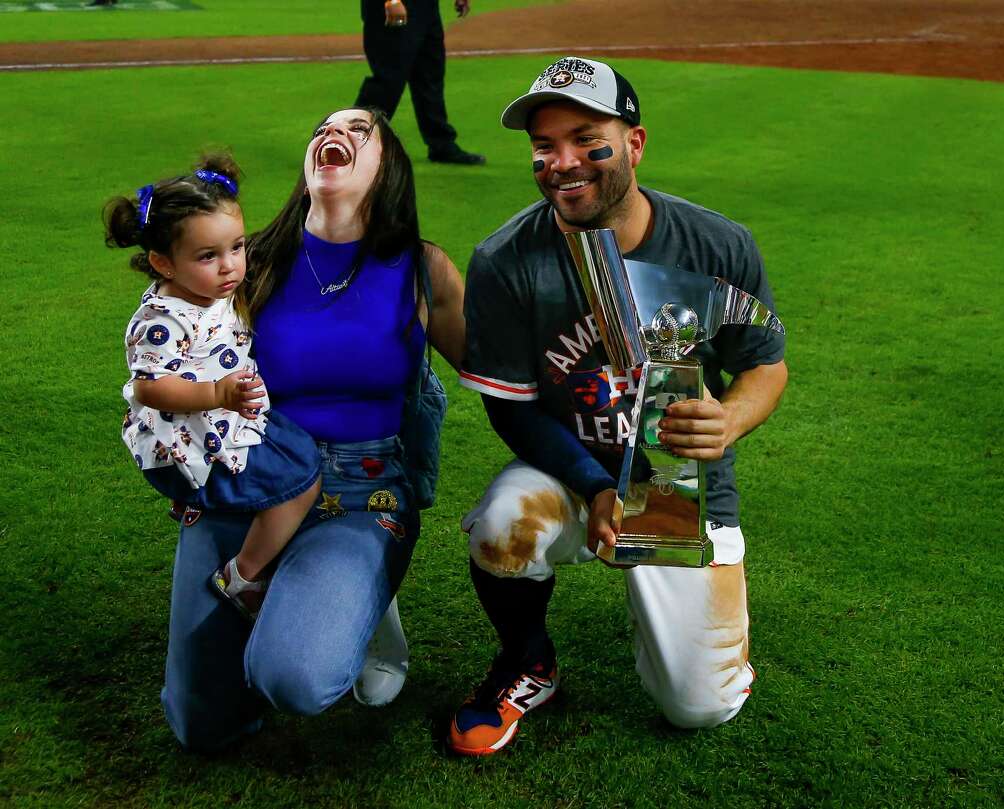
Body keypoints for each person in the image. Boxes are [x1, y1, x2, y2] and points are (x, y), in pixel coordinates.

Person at [448, 56, 789, 756]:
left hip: (674, 487)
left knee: (699, 706)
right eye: (544, 146)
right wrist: (599, 486)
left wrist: (729, 417)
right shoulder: (506, 260)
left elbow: (765, 367)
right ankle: (527, 660)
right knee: (502, 524)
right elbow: (513, 411)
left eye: (584, 138)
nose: (562, 162)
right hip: (571, 474)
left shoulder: (716, 245)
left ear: (634, 144)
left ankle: (689, 642)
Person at [156, 108, 466, 750]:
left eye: (360, 131)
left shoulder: (421, 268)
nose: (336, 135)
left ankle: (345, 591)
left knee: (292, 676)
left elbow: (498, 371)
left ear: (388, 168)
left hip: (365, 485)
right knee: (202, 728)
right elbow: (170, 355)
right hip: (257, 473)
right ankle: (305, 586)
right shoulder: (252, 262)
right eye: (325, 128)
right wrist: (192, 468)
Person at [106, 153, 322, 623]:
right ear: (163, 263)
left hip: (220, 421)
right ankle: (242, 577)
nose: (230, 267)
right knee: (302, 481)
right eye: (208, 256)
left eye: (237, 247)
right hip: (194, 434)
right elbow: (150, 389)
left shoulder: (210, 290)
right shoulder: (164, 320)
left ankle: (198, 499)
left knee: (293, 450)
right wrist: (217, 395)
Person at [355, 0, 485, 166]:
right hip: (393, 4)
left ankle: (441, 144)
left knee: (429, 74)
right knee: (388, 79)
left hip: (425, 6)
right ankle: (351, 139)